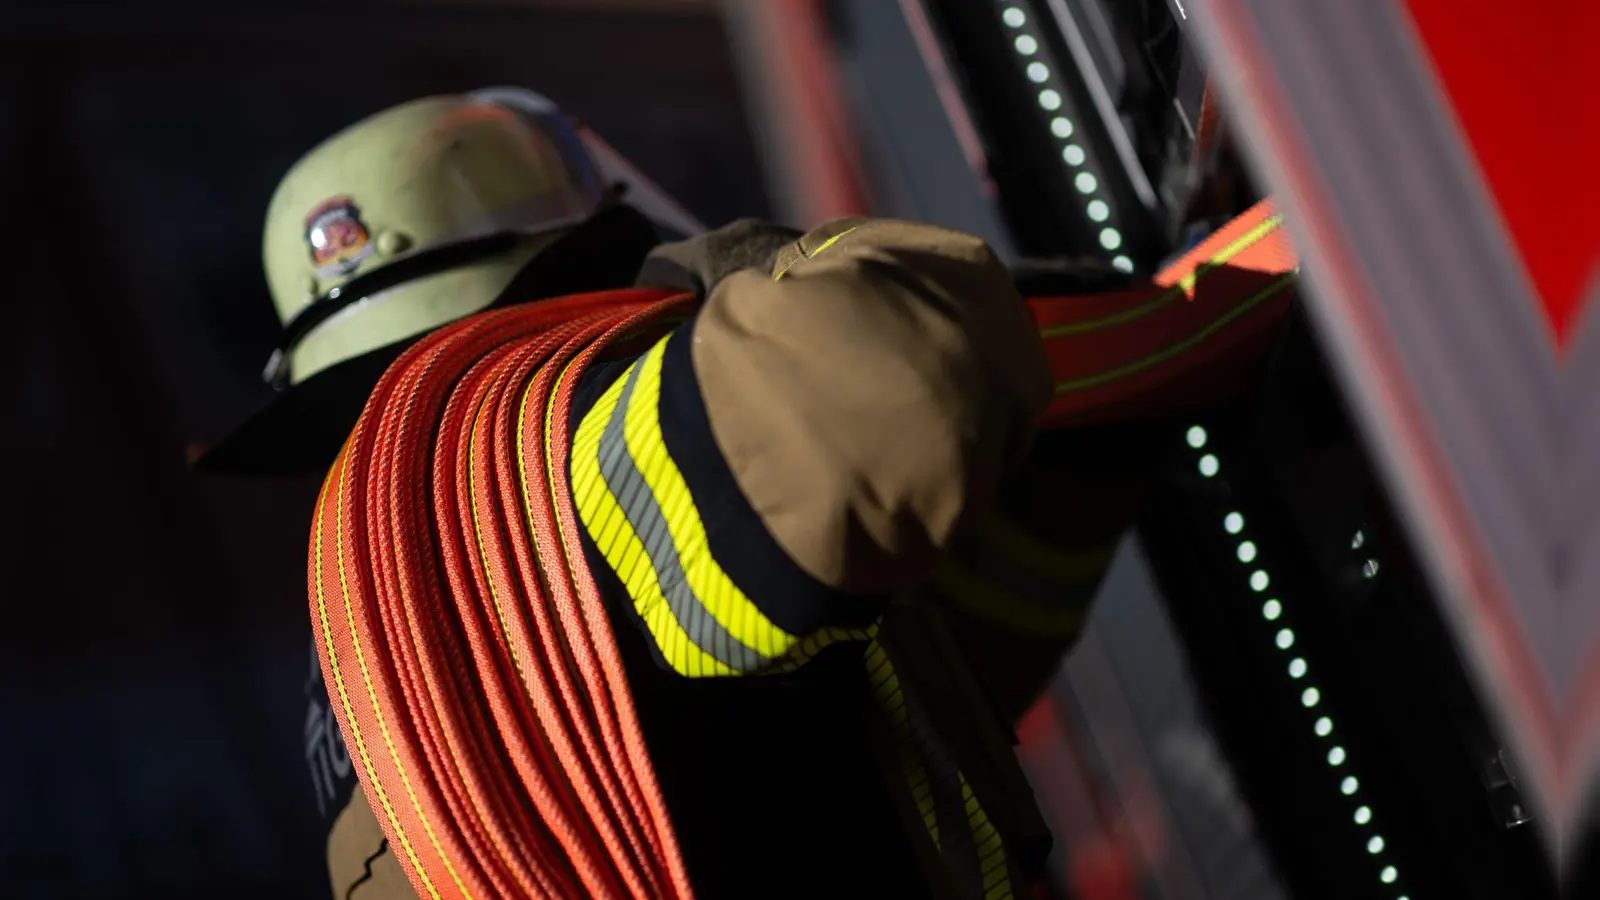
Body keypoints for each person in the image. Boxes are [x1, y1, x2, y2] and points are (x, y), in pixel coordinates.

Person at [199, 88, 1296, 900]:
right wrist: (721, 284)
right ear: (585, 252)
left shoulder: (372, 660)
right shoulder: (565, 468)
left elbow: (890, 668)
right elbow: (899, 375)